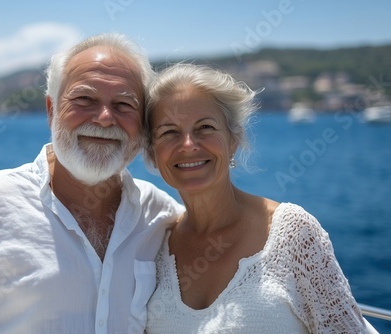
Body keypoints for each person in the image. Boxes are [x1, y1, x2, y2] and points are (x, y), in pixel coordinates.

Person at [0, 33, 183, 334]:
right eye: (85, 99)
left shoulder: (162, 215)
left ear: (142, 123)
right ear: (52, 110)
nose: (105, 118)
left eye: (123, 104)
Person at [143, 63, 378, 333]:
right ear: (152, 153)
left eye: (205, 127)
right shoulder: (156, 246)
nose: (188, 144)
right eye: (169, 132)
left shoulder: (292, 233)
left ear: (233, 140)